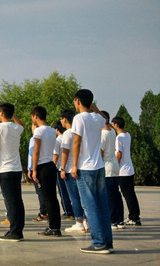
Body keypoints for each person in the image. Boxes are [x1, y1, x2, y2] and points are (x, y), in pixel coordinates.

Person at [72, 89, 113, 254]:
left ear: (78, 101)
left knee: (90, 206)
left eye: (75, 101)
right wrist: (92, 106)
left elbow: (76, 142)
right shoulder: (98, 118)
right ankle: (107, 242)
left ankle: (98, 243)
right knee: (102, 205)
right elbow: (104, 118)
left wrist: (74, 165)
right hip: (99, 167)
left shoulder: (79, 118)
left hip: (85, 167)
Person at [0, 102, 25, 242]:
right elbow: (22, 124)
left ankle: (15, 232)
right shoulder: (17, 128)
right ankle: (16, 230)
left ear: (1, 113)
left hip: (5, 169)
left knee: (11, 202)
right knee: (17, 200)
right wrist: (12, 114)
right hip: (16, 169)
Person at [31, 106, 62, 237]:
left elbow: (36, 150)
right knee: (52, 198)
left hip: (42, 166)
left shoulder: (38, 131)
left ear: (36, 116)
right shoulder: (51, 130)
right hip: (50, 164)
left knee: (47, 199)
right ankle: (55, 226)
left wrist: (33, 170)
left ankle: (53, 227)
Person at [59, 110, 87, 233]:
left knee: (74, 197)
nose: (61, 121)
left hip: (70, 169)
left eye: (61, 119)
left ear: (65, 119)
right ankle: (86, 221)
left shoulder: (67, 134)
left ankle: (79, 222)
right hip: (81, 167)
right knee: (83, 197)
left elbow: (65, 152)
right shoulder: (80, 132)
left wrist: (62, 168)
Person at [112, 116, 141, 226]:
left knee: (127, 195)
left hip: (123, 170)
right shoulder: (127, 135)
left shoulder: (119, 138)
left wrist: (116, 166)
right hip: (129, 169)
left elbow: (119, 153)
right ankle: (135, 216)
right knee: (131, 194)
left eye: (113, 124)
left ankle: (133, 217)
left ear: (116, 125)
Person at [100, 111, 122, 229]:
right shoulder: (112, 131)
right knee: (116, 193)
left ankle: (112, 219)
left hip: (107, 166)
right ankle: (119, 219)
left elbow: (101, 153)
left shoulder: (103, 134)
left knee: (109, 195)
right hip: (114, 166)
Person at [53, 120, 74, 220]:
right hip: (70, 167)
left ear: (57, 129)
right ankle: (73, 210)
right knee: (71, 192)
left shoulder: (58, 140)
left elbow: (55, 155)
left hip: (61, 168)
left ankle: (67, 211)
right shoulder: (71, 135)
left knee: (62, 192)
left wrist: (53, 166)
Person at [28, 125, 47, 222]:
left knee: (41, 192)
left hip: (37, 167)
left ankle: (43, 212)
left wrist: (32, 169)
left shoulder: (35, 138)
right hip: (40, 167)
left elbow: (33, 153)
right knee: (44, 192)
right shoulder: (48, 134)